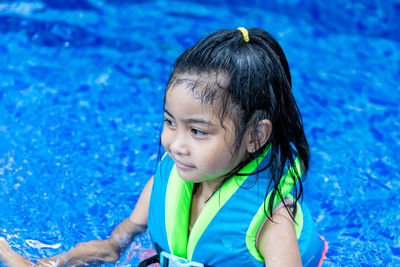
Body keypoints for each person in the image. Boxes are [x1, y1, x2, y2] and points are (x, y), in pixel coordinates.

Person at [0, 27, 327, 267]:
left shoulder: (272, 218)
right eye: (170, 122)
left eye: (198, 131)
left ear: (255, 136)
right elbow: (116, 245)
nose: (175, 144)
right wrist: (58, 261)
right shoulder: (169, 178)